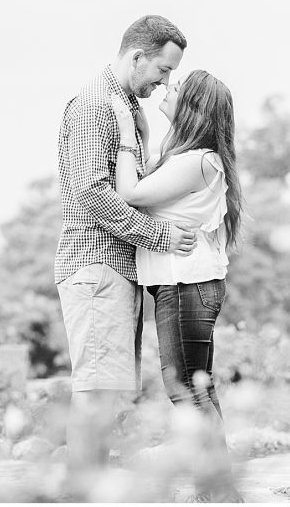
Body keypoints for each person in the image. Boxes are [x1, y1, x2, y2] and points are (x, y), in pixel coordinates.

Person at [54, 14, 197, 472]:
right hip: (96, 266)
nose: (165, 81)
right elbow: (92, 196)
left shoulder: (126, 108)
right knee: (97, 395)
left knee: (109, 395)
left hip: (117, 268)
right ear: (138, 56)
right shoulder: (95, 105)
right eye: (163, 70)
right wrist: (161, 237)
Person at [110, 68, 243, 501]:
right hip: (181, 285)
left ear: (195, 108)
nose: (169, 88)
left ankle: (219, 493)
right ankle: (218, 489)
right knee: (193, 387)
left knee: (187, 389)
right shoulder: (189, 156)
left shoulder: (198, 161)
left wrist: (128, 131)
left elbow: (130, 192)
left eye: (178, 88)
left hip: (187, 284)